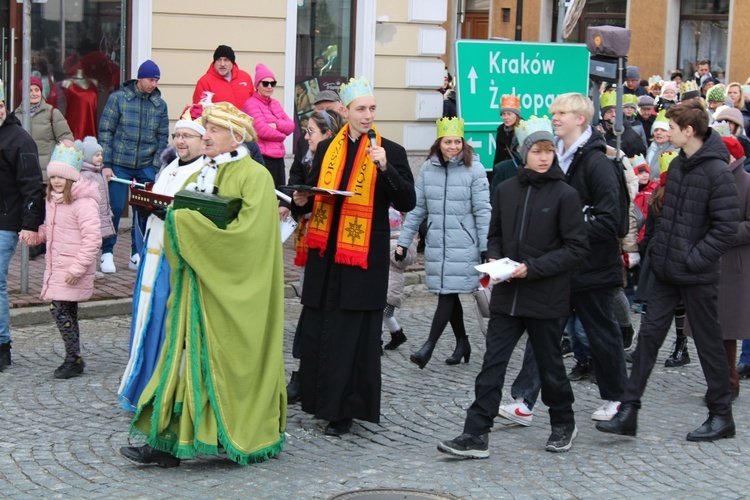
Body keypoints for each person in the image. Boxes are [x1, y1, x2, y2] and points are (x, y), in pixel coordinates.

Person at [120, 102, 286, 466]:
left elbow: (248, 238)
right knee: (177, 362)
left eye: (213, 129)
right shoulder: (205, 170)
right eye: (205, 128)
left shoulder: (255, 177)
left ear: (235, 137)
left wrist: (181, 222)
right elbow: (191, 212)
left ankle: (226, 434)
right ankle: (164, 444)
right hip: (195, 287)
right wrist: (173, 214)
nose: (204, 135)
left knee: (218, 367)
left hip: (229, 293)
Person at [437, 116, 589, 458]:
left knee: (550, 367)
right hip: (507, 295)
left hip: (546, 297)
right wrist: (494, 261)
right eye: (537, 150)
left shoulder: (565, 194)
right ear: (524, 153)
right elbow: (494, 236)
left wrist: (531, 269)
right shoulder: (505, 190)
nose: (544, 157)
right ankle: (476, 433)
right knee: (493, 364)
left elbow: (577, 249)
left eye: (549, 150)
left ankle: (563, 422)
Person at [597, 98, 740, 442]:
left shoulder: (717, 171)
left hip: (697, 274)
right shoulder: (677, 165)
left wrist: (692, 258)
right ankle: (628, 410)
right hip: (665, 270)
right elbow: (664, 214)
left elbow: (726, 227)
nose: (666, 132)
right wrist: (657, 248)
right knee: (647, 339)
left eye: (672, 128)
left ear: (688, 131)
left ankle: (721, 415)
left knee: (708, 345)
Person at [290, 77, 416, 437]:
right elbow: (314, 193)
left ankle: (345, 410)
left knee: (351, 338)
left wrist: (385, 169)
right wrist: (302, 202)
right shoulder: (329, 148)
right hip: (326, 257)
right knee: (320, 331)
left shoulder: (389, 149)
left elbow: (407, 200)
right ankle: (319, 402)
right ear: (344, 112)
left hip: (361, 260)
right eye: (361, 109)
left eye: (372, 109)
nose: (368, 114)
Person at [117, 103, 207, 412]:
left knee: (166, 324)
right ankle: (140, 386)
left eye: (187, 136)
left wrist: (168, 212)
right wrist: (147, 203)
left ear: (201, 139)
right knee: (146, 319)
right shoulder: (169, 167)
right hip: (153, 255)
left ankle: (165, 392)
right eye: (176, 135)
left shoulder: (205, 171)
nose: (180, 142)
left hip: (175, 260)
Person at [397, 117, 491, 370]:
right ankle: (462, 343)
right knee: (447, 292)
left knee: (447, 294)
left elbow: (483, 210)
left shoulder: (475, 170)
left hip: (464, 244)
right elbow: (417, 209)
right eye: (448, 142)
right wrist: (404, 242)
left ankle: (428, 346)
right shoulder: (428, 169)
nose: (453, 146)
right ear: (439, 143)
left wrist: (485, 247)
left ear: (463, 142)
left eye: (457, 141)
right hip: (438, 243)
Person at [283, 108, 345, 405]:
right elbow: (295, 182)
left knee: (326, 310)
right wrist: (296, 200)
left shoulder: (339, 159)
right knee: (310, 304)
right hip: (309, 236)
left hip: (335, 241)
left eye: (311, 132)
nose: (305, 136)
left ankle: (317, 375)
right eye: (305, 130)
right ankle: (303, 373)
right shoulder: (305, 155)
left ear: (327, 135)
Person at [25, 142, 101, 379]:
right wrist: (36, 235)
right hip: (57, 267)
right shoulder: (53, 200)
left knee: (58, 310)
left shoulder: (83, 203)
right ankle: (74, 357)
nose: (57, 181)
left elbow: (92, 239)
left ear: (71, 178)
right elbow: (51, 229)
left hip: (71, 269)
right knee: (67, 311)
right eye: (53, 176)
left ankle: (73, 358)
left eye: (62, 177)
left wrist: (77, 269)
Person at [98, 60, 169, 274]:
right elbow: (106, 131)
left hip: (145, 166)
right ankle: (107, 253)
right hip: (119, 164)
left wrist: (155, 166)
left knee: (144, 211)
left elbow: (162, 137)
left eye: (156, 80)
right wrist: (107, 164)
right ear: (140, 78)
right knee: (116, 208)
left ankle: (136, 253)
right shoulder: (118, 99)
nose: (153, 84)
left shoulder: (160, 105)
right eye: (150, 79)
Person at [0, 79, 45, 372]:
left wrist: (30, 223)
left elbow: (31, 185)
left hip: (5, 222)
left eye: (0, 105)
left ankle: (2, 346)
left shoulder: (19, 139)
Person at [242, 63, 295, 188]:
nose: (269, 86)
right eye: (265, 83)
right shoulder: (251, 104)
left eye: (273, 83)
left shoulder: (275, 103)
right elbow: (261, 130)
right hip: (263, 157)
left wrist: (276, 124)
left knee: (280, 194)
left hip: (278, 157)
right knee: (265, 192)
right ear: (257, 85)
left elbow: (291, 126)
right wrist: (282, 134)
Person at [14, 76, 73, 178]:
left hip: (47, 176)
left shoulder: (52, 113)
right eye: (30, 90)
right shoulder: (15, 116)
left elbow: (67, 141)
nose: (34, 94)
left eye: (37, 90)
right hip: (23, 177)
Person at [77, 136, 116, 255]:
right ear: (88, 157)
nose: (101, 158)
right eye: (97, 155)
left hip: (102, 212)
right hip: (92, 213)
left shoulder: (99, 172)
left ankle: (91, 268)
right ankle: (88, 268)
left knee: (95, 242)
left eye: (101, 154)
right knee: (89, 243)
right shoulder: (86, 174)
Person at [599, 91, 647, 157]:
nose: (614, 114)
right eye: (609, 111)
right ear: (603, 115)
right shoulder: (598, 133)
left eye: (616, 111)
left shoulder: (631, 136)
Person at [646, 110, 677, 178]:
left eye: (663, 130)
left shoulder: (674, 151)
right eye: (656, 130)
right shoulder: (652, 148)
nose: (658, 133)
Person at [493, 94, 521, 167]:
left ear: (516, 115)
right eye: (503, 114)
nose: (506, 117)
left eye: (509, 114)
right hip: (504, 171)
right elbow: (497, 156)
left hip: (519, 171)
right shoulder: (501, 131)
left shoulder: (524, 130)